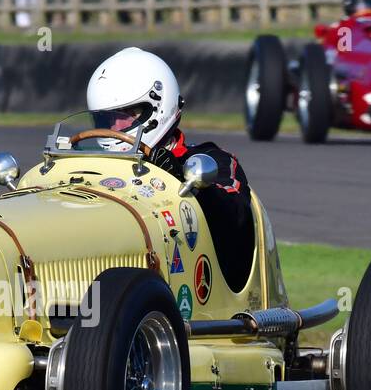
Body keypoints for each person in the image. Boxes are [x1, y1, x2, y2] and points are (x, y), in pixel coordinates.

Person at [86, 47, 255, 291]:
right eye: (105, 119)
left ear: (156, 109)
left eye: (126, 115)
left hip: (207, 293)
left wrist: (180, 175)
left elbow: (235, 217)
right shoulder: (97, 169)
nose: (115, 126)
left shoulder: (209, 160)